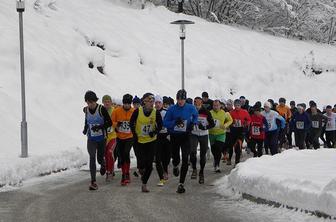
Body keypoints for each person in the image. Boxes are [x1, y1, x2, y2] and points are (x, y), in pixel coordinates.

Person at [163, 89, 198, 194]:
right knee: (176, 157)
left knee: (185, 158)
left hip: (186, 136)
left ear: (185, 99)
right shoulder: (172, 109)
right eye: (178, 99)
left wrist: (193, 123)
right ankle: (175, 165)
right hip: (174, 136)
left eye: (182, 99)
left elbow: (196, 115)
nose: (180, 101)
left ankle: (181, 184)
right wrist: (174, 122)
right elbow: (165, 122)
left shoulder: (191, 107)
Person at [130, 93, 163, 192]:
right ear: (144, 101)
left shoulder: (155, 112)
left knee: (149, 165)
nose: (152, 103)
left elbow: (160, 125)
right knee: (141, 163)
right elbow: (131, 123)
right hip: (139, 141)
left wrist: (155, 132)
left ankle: (144, 184)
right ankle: (141, 170)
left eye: (153, 101)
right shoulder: (137, 111)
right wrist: (134, 134)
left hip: (151, 141)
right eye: (150, 101)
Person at [83, 91, 112, 190]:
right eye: (88, 102)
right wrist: (85, 128)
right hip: (91, 139)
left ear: (95, 101)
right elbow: (87, 120)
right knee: (92, 157)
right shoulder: (86, 110)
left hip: (101, 139)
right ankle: (93, 182)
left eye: (92, 102)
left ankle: (103, 163)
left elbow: (110, 122)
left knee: (99, 159)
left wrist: (100, 127)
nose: (90, 104)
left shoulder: (101, 109)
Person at [189, 97, 215, 184]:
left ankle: (201, 172)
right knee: (192, 152)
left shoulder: (206, 112)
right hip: (194, 134)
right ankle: (194, 169)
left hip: (203, 134)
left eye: (199, 104)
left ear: (201, 103)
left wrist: (204, 127)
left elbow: (212, 124)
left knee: (203, 154)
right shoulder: (191, 111)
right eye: (195, 103)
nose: (197, 105)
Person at [112, 94, 134, 186]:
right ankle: (123, 174)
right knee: (121, 155)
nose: (126, 105)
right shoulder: (117, 111)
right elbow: (111, 121)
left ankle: (126, 174)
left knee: (126, 153)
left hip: (130, 136)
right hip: (119, 137)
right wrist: (117, 124)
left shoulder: (134, 111)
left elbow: (138, 121)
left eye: (128, 104)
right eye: (125, 103)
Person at [209, 99, 233, 172]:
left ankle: (217, 165)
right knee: (214, 150)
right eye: (214, 105)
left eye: (217, 105)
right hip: (211, 134)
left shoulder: (225, 113)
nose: (216, 107)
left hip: (221, 134)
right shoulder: (210, 113)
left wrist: (225, 125)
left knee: (218, 149)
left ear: (220, 106)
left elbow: (230, 120)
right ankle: (216, 160)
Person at [228, 99, 251, 165]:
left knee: (238, 145)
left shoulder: (244, 112)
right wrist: (231, 123)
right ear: (234, 105)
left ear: (240, 105)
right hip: (233, 130)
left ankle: (237, 162)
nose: (237, 107)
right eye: (236, 105)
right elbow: (228, 120)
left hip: (241, 130)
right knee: (231, 145)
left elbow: (249, 120)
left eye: (238, 105)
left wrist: (245, 124)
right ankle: (229, 159)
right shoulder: (231, 112)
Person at [155, 95, 172, 181]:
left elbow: (171, 123)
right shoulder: (153, 112)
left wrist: (170, 134)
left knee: (167, 156)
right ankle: (162, 174)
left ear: (162, 104)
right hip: (157, 136)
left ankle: (165, 170)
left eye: (159, 103)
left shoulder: (166, 112)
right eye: (156, 103)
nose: (157, 105)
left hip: (166, 135)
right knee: (158, 157)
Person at [102, 95, 117, 182]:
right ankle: (109, 168)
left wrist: (114, 125)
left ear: (111, 102)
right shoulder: (101, 110)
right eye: (105, 102)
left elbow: (118, 120)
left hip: (113, 136)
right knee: (104, 155)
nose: (107, 103)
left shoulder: (114, 110)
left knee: (109, 152)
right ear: (103, 103)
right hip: (104, 137)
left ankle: (109, 172)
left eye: (108, 101)